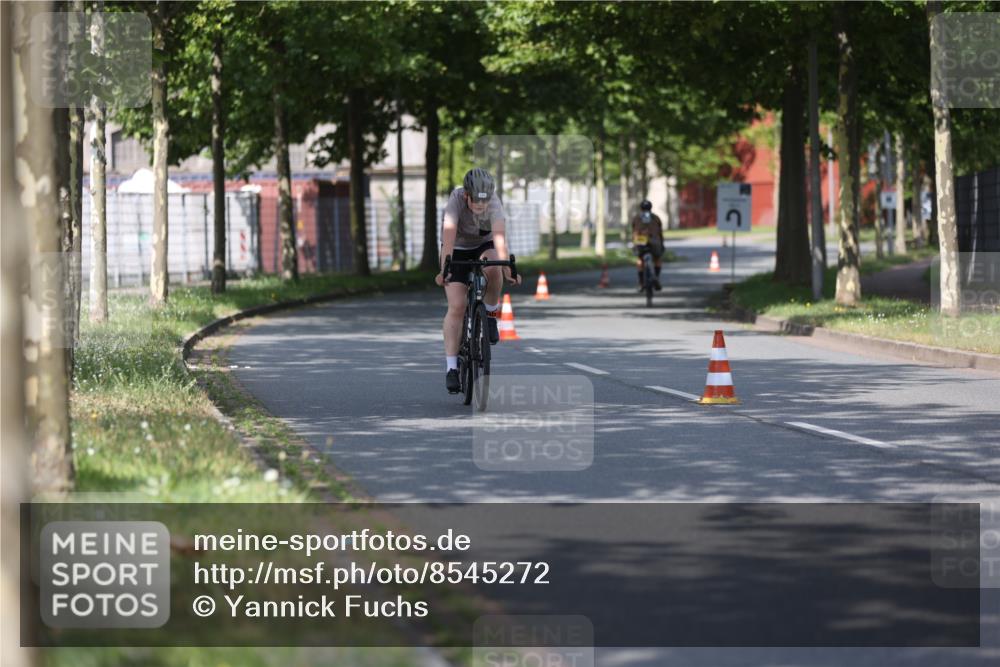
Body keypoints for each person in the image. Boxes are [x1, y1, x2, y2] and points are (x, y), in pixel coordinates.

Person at [435, 168, 521, 393]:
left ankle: (491, 314)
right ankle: (452, 368)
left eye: (485, 201)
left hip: (484, 245)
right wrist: (445, 271)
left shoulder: (493, 203)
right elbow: (448, 240)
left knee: (494, 267)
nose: (481, 206)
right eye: (476, 202)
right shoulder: (455, 203)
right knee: (457, 305)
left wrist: (508, 270)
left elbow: (500, 240)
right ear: (466, 196)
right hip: (458, 248)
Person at [631, 199, 664, 290]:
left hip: (640, 240)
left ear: (641, 208)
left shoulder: (636, 218)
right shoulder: (656, 218)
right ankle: (656, 277)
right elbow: (660, 232)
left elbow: (633, 231)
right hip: (654, 240)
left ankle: (641, 283)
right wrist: (662, 245)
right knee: (657, 259)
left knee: (640, 260)